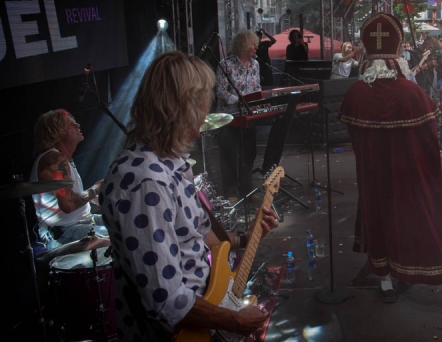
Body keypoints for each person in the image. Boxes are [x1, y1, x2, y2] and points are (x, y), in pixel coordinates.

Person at [99, 51, 280, 341]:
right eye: (203, 101)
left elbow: (197, 238)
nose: (207, 110)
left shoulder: (171, 162)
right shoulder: (146, 182)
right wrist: (234, 320)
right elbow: (166, 301)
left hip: (205, 316)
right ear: (183, 108)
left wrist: (248, 237)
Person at [339, 13, 442, 303]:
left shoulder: (357, 93)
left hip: (372, 175)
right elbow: (428, 143)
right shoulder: (412, 93)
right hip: (407, 176)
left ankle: (384, 279)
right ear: (397, 52)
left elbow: (354, 138)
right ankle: (403, 270)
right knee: (405, 218)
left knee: (377, 216)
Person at [30, 109, 106, 247]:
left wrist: (100, 200)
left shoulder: (64, 159)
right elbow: (68, 205)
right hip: (64, 233)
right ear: (56, 132)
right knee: (119, 234)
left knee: (126, 221)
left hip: (85, 221)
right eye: (71, 124)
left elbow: (70, 198)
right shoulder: (53, 159)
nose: (78, 125)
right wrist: (95, 189)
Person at [216, 30, 261, 198]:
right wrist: (239, 101)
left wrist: (258, 102)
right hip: (228, 116)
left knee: (249, 154)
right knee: (230, 155)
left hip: (248, 116)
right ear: (243, 45)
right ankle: (231, 192)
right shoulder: (225, 64)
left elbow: (257, 88)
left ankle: (247, 190)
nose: (256, 47)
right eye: (253, 44)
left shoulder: (255, 65)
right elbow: (221, 92)